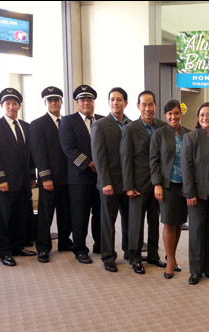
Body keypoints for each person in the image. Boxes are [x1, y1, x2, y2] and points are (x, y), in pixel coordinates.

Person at [0, 88, 37, 266]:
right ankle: (5, 251)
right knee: (5, 218)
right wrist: (0, 179)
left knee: (21, 216)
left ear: (19, 106)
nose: (11, 107)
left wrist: (32, 175)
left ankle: (18, 246)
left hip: (23, 182)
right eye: (8, 104)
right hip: (5, 182)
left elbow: (29, 154)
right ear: (2, 105)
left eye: (15, 103)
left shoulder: (26, 126)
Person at [121, 90, 167, 274]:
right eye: (144, 104)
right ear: (138, 106)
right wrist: (129, 186)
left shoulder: (163, 127)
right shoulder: (130, 129)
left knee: (155, 221)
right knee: (136, 223)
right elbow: (126, 160)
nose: (147, 108)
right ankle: (135, 257)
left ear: (155, 106)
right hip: (138, 185)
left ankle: (154, 255)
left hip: (158, 184)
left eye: (150, 104)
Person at [181, 102, 209, 285]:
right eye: (202, 115)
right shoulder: (191, 137)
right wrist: (190, 192)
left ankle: (208, 267)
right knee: (196, 232)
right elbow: (187, 167)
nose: (205, 118)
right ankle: (195, 270)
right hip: (197, 194)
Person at [59, 85, 103, 264]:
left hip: (101, 178)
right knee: (80, 215)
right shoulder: (68, 121)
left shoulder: (102, 120)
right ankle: (79, 248)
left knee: (100, 214)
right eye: (82, 100)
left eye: (89, 100)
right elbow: (68, 148)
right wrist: (89, 164)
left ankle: (100, 244)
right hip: (79, 178)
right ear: (77, 103)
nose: (86, 103)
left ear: (94, 102)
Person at [29, 86, 73, 263]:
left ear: (61, 102)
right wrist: (45, 177)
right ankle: (43, 248)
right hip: (49, 179)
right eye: (50, 100)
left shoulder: (68, 122)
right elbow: (38, 153)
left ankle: (64, 241)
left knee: (66, 213)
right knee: (45, 215)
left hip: (68, 178)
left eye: (56, 100)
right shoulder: (38, 124)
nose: (53, 103)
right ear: (46, 103)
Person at [91, 87, 131, 273]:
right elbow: (99, 157)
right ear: (108, 103)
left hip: (128, 183)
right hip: (109, 183)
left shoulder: (131, 124)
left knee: (129, 219)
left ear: (126, 103)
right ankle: (108, 256)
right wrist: (105, 181)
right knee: (108, 221)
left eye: (119, 99)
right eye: (112, 99)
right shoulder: (100, 125)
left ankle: (129, 251)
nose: (116, 102)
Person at [150, 99, 191, 279]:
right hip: (166, 185)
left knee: (178, 222)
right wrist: (157, 184)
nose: (173, 116)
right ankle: (170, 262)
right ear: (165, 116)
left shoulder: (188, 134)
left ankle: (172, 257)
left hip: (184, 185)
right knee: (168, 222)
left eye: (176, 113)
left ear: (181, 114)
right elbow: (154, 161)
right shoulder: (158, 134)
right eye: (170, 114)